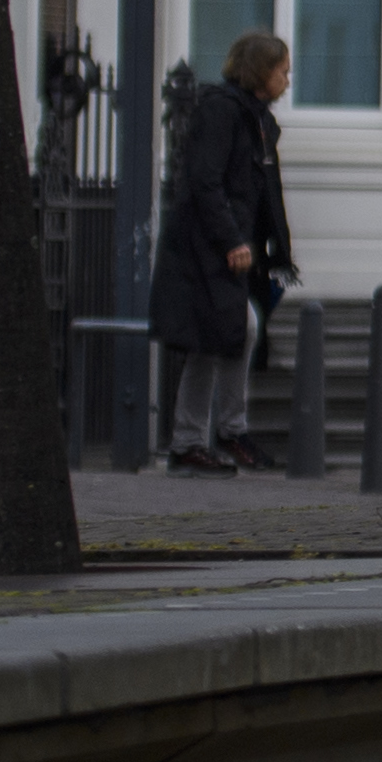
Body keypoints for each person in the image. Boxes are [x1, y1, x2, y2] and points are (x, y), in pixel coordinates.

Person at [153, 31, 294, 473]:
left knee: (225, 337)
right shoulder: (224, 112)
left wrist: (270, 249)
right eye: (283, 71)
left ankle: (204, 437)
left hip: (231, 249)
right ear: (261, 72)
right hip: (209, 250)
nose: (288, 80)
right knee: (229, 332)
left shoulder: (255, 119)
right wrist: (233, 240)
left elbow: (261, 190)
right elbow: (206, 180)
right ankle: (212, 435)